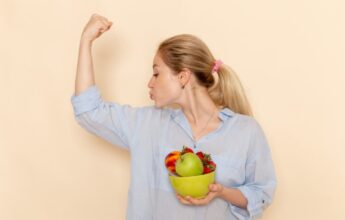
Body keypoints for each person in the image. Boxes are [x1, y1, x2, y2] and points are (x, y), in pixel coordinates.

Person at [71, 14, 277, 220]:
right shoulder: (146, 124)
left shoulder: (246, 131)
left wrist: (222, 192)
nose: (150, 83)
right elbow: (89, 111)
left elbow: (261, 193)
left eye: (156, 73)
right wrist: (85, 41)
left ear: (183, 76)